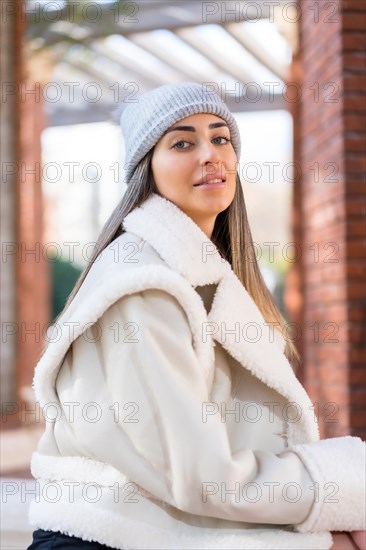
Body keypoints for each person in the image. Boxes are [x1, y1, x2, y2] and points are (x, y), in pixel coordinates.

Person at [28, 82, 365, 550]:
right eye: (182, 142)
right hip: (106, 539)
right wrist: (340, 492)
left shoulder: (201, 275)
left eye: (221, 137)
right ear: (147, 170)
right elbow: (203, 475)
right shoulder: (142, 286)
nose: (210, 154)